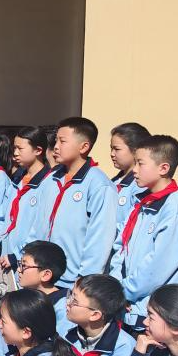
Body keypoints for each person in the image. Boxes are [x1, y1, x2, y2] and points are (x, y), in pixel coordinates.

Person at [109, 135, 178, 328]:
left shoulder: (174, 207)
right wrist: (115, 286)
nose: (135, 170)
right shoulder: (142, 200)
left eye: (140, 164)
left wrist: (124, 292)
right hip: (127, 305)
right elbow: (121, 246)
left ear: (163, 168)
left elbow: (157, 266)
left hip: (151, 313)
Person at [28, 116, 116, 286]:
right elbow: (37, 224)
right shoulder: (51, 179)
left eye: (62, 141)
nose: (56, 147)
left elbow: (100, 239)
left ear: (84, 146)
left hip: (71, 281)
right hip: (40, 276)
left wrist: (84, 280)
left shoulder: (99, 185)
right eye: (56, 141)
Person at [0, 127, 52, 283]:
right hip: (4, 258)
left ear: (38, 150)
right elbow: (3, 215)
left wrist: (18, 255)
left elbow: (40, 229)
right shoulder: (17, 178)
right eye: (14, 148)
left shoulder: (49, 183)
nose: (15, 153)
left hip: (27, 264)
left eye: (20, 148)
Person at [109, 123, 151, 225]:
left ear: (136, 150)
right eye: (111, 148)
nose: (112, 154)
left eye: (117, 149)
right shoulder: (112, 183)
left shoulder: (140, 186)